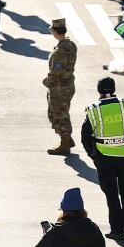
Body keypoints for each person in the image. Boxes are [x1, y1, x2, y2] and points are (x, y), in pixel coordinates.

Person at [81, 76, 124, 240]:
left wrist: (93, 155)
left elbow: (85, 136)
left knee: (111, 195)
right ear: (114, 88)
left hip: (104, 157)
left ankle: (117, 231)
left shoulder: (93, 110)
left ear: (99, 90)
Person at [44, 18, 78, 155]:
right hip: (68, 84)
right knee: (60, 112)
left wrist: (47, 81)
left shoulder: (60, 51)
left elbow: (56, 70)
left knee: (58, 114)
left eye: (52, 30)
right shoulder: (71, 45)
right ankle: (67, 139)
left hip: (59, 87)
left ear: (56, 31)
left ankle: (65, 143)